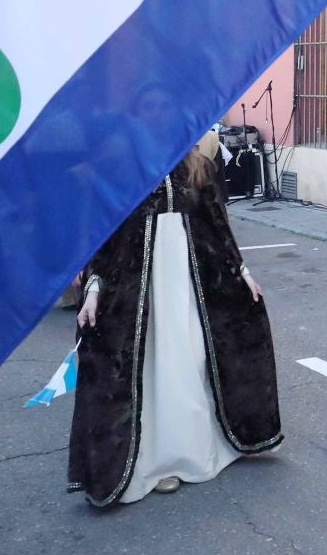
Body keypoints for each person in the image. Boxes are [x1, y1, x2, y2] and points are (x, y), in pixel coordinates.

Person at [70, 126, 284, 504]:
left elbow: (218, 229)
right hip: (137, 292)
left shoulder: (195, 166)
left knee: (189, 362)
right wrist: (93, 287)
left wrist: (242, 273)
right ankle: (151, 463)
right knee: (148, 370)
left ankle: (189, 450)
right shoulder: (120, 169)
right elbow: (102, 236)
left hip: (190, 284)